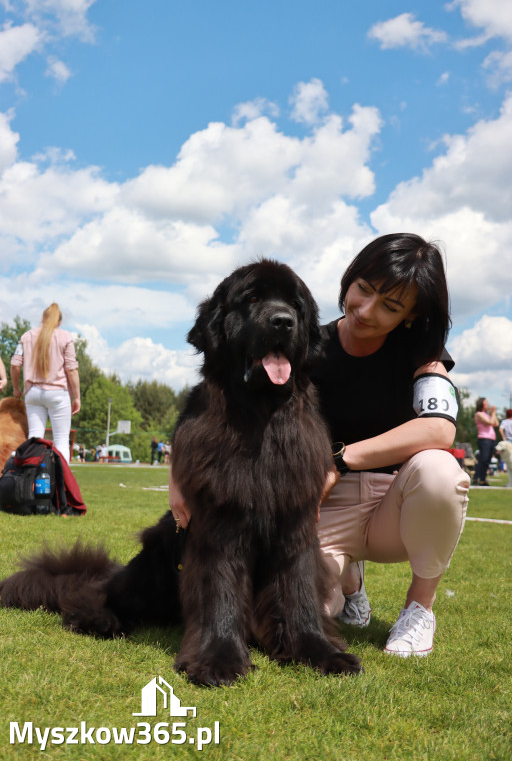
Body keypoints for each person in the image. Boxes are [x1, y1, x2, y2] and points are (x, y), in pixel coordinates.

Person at [169, 234, 470, 659]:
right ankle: (351, 585)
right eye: (363, 290)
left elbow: (440, 430)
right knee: (294, 614)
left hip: (393, 502)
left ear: (410, 316)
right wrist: (176, 477)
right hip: (326, 507)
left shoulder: (424, 356)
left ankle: (419, 609)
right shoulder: (308, 347)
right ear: (350, 279)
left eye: (390, 305)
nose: (366, 310)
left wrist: (339, 460)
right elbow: (209, 402)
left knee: (440, 470)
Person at [10, 303, 80, 460]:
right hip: (58, 393)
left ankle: (30, 478)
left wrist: (16, 388)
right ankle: (61, 482)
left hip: (33, 393)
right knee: (61, 439)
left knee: (34, 439)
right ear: (59, 322)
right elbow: (72, 370)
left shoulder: (27, 336)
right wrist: (77, 397)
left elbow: (15, 364)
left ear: (42, 318)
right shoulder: (65, 337)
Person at [473, 398, 498, 486]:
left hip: (491, 439)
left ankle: (482, 480)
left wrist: (492, 413)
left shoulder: (487, 415)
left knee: (487, 460)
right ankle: (476, 478)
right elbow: (490, 422)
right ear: (481, 403)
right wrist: (493, 413)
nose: (488, 403)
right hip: (484, 439)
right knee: (482, 459)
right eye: (486, 402)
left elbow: (496, 423)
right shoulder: (478, 414)